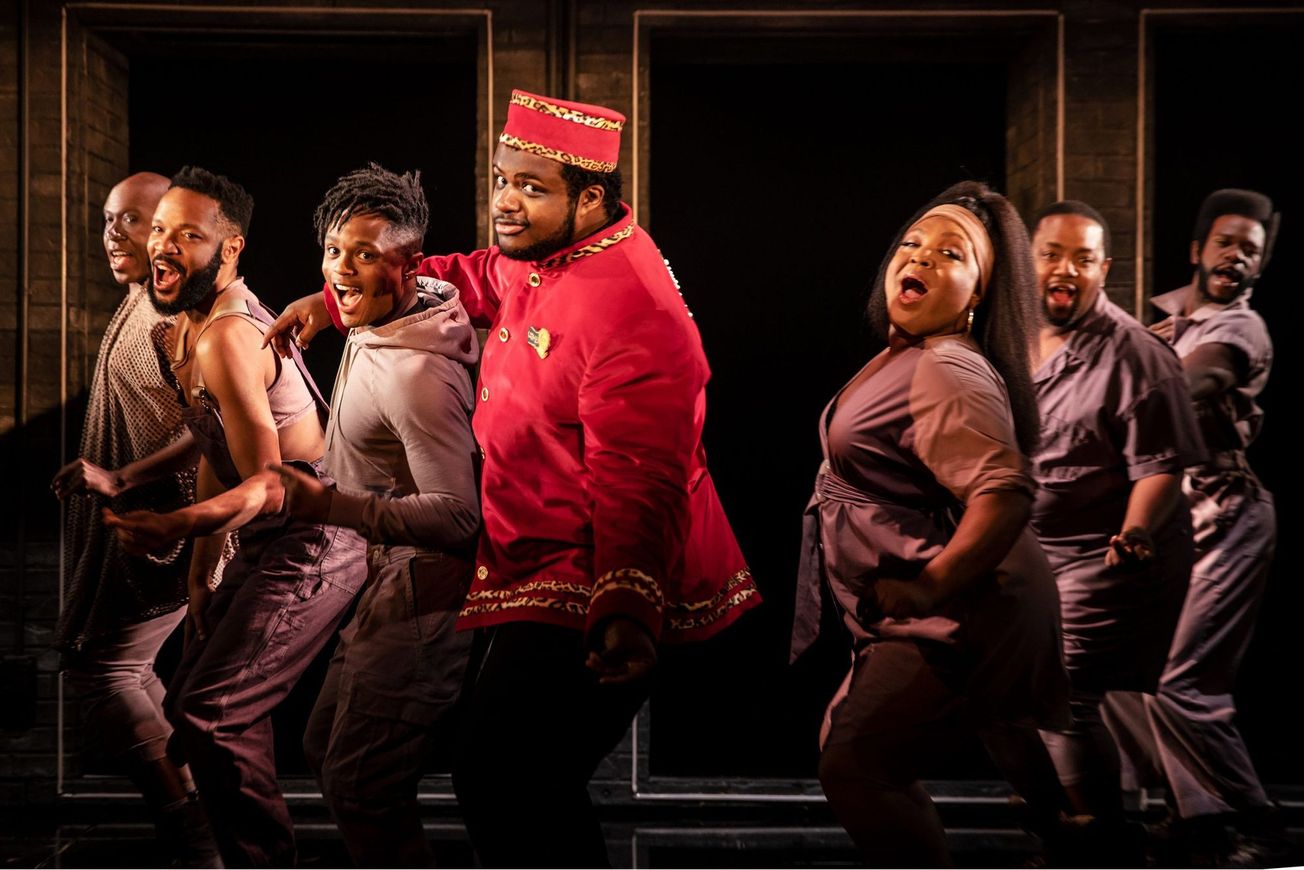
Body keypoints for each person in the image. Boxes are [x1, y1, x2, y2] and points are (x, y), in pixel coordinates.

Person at [266, 89, 761, 867]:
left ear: (589, 197)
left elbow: (642, 478)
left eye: (530, 187)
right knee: (508, 780)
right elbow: (474, 275)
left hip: (597, 567)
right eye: (502, 179)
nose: (504, 201)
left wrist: (627, 604)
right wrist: (336, 301)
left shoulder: (635, 310)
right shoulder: (545, 253)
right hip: (537, 552)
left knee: (507, 777)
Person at [790, 181, 1068, 867]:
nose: (919, 256)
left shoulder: (947, 366)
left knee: (857, 765)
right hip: (962, 602)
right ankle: (1079, 835)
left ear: (979, 293)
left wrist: (930, 585)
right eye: (912, 243)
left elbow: (1004, 492)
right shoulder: (909, 355)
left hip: (965, 608)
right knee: (875, 747)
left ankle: (1081, 832)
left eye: (951, 253)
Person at [105, 167, 368, 867]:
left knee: (212, 714)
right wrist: (201, 576)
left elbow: (273, 485)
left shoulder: (226, 335)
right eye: (160, 229)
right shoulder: (187, 329)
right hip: (271, 537)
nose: (163, 246)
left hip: (317, 535)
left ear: (229, 249)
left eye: (188, 236)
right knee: (189, 708)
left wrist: (179, 526)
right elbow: (217, 449)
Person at [274, 164, 480, 867]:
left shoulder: (417, 375)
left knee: (363, 785)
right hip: (386, 579)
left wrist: (331, 505)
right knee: (324, 748)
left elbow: (458, 516)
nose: (341, 269)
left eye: (364, 254)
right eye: (334, 250)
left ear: (410, 264)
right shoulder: (385, 322)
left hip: (423, 591)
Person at [1105, 188, 1287, 865]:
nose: (1237, 257)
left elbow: (1195, 382)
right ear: (1197, 251)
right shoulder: (1165, 326)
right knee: (1122, 675)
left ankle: (1258, 822)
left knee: (1183, 683)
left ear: (1259, 266)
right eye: (1226, 243)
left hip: (1228, 512)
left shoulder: (1242, 328)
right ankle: (1197, 817)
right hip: (1172, 517)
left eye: (1251, 251)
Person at [1023, 201, 1203, 851]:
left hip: (1100, 554)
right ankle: (1059, 825)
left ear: (1104, 269)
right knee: (1009, 691)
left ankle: (1103, 840)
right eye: (1051, 254)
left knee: (1063, 691)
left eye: (1083, 258)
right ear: (1027, 260)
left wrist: (1137, 531)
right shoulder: (1008, 337)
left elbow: (1161, 468)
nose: (1065, 269)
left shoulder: (1137, 355)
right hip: (1027, 552)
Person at [51, 171, 219, 865]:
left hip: (163, 526)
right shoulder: (140, 299)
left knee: (107, 671)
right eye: (108, 220)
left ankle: (195, 835)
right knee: (128, 669)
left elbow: (212, 426)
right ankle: (201, 818)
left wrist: (124, 477)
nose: (113, 235)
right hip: (132, 522)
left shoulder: (173, 317)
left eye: (132, 220)